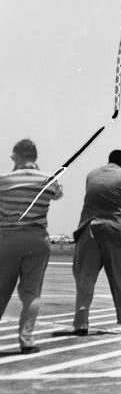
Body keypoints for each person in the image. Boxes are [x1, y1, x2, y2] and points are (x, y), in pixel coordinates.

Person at [72, 149, 121, 335]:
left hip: (88, 231)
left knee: (85, 280)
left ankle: (81, 325)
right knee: (120, 280)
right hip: (114, 232)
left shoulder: (91, 175)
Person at [0, 139, 63, 353]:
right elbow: (58, 193)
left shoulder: (3, 180)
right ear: (35, 158)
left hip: (8, 239)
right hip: (37, 239)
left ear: (16, 156)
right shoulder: (48, 180)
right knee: (31, 293)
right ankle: (26, 340)